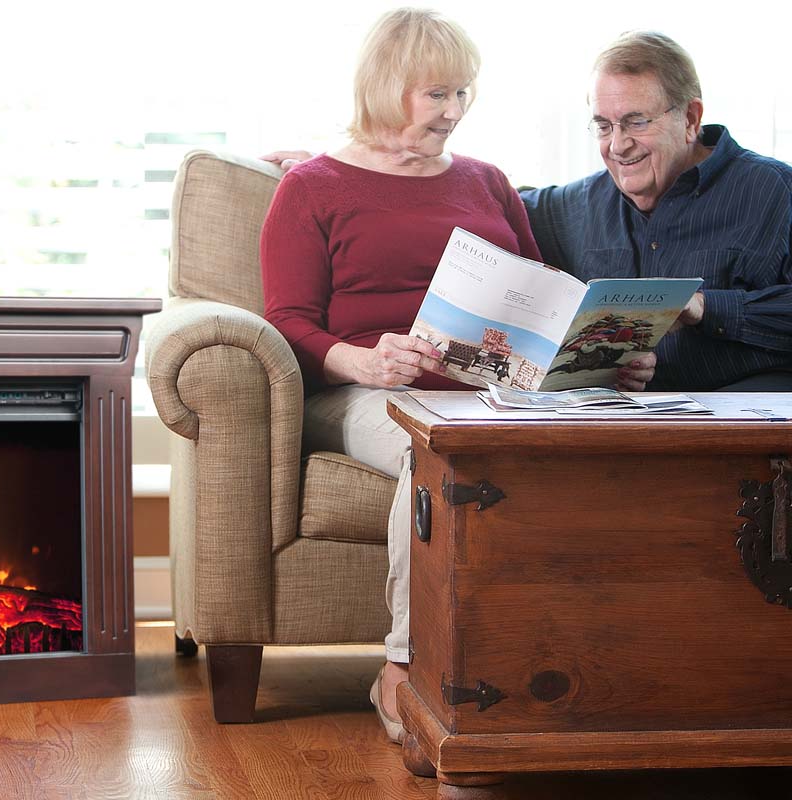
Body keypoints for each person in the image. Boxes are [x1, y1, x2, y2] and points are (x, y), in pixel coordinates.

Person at [260, 8, 657, 746]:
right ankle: (402, 669)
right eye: (437, 94)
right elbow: (285, 319)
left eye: (463, 94)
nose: (454, 111)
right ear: (387, 86)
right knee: (438, 452)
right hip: (364, 390)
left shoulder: (485, 181)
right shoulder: (312, 185)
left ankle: (586, 667)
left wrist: (598, 354)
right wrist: (363, 359)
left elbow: (541, 296)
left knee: (595, 446)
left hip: (486, 389)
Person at [521, 31, 792, 390]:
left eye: (637, 122)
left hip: (745, 430)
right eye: (604, 126)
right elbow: (489, 207)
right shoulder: (575, 206)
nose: (618, 145)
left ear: (691, 119)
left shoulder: (774, 190)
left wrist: (704, 308)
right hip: (614, 430)